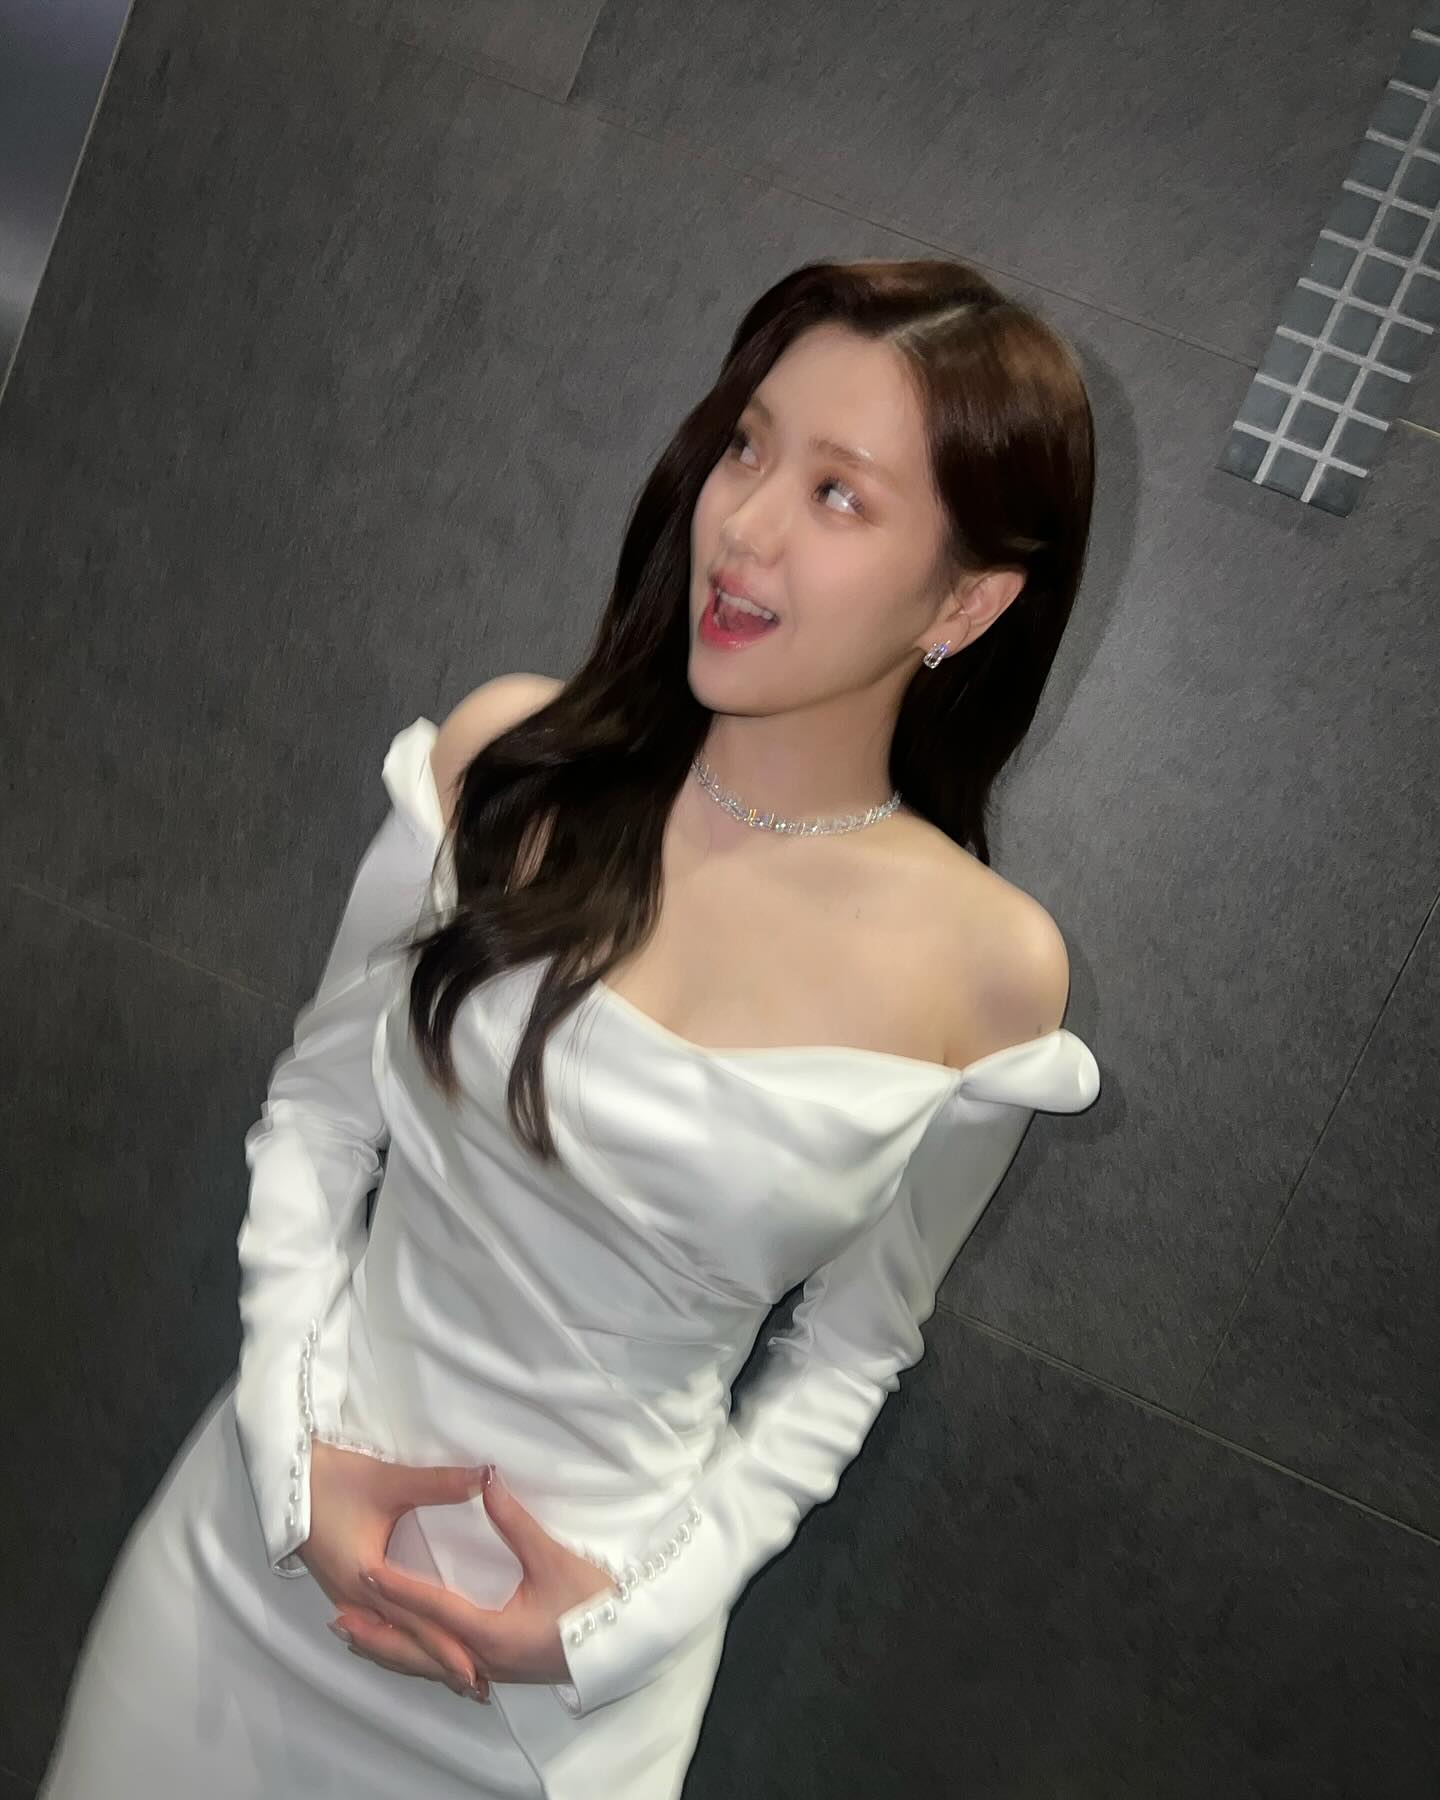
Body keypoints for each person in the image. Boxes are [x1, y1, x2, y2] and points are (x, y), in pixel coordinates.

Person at [39, 256, 1101, 1800]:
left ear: (969, 600)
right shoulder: (511, 766)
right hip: (248, 1585)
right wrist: (289, 1464)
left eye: (837, 494)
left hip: (559, 1715)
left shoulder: (991, 971)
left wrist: (612, 1632)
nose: (744, 524)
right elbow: (320, 1116)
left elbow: (854, 1346)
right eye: (747, 447)